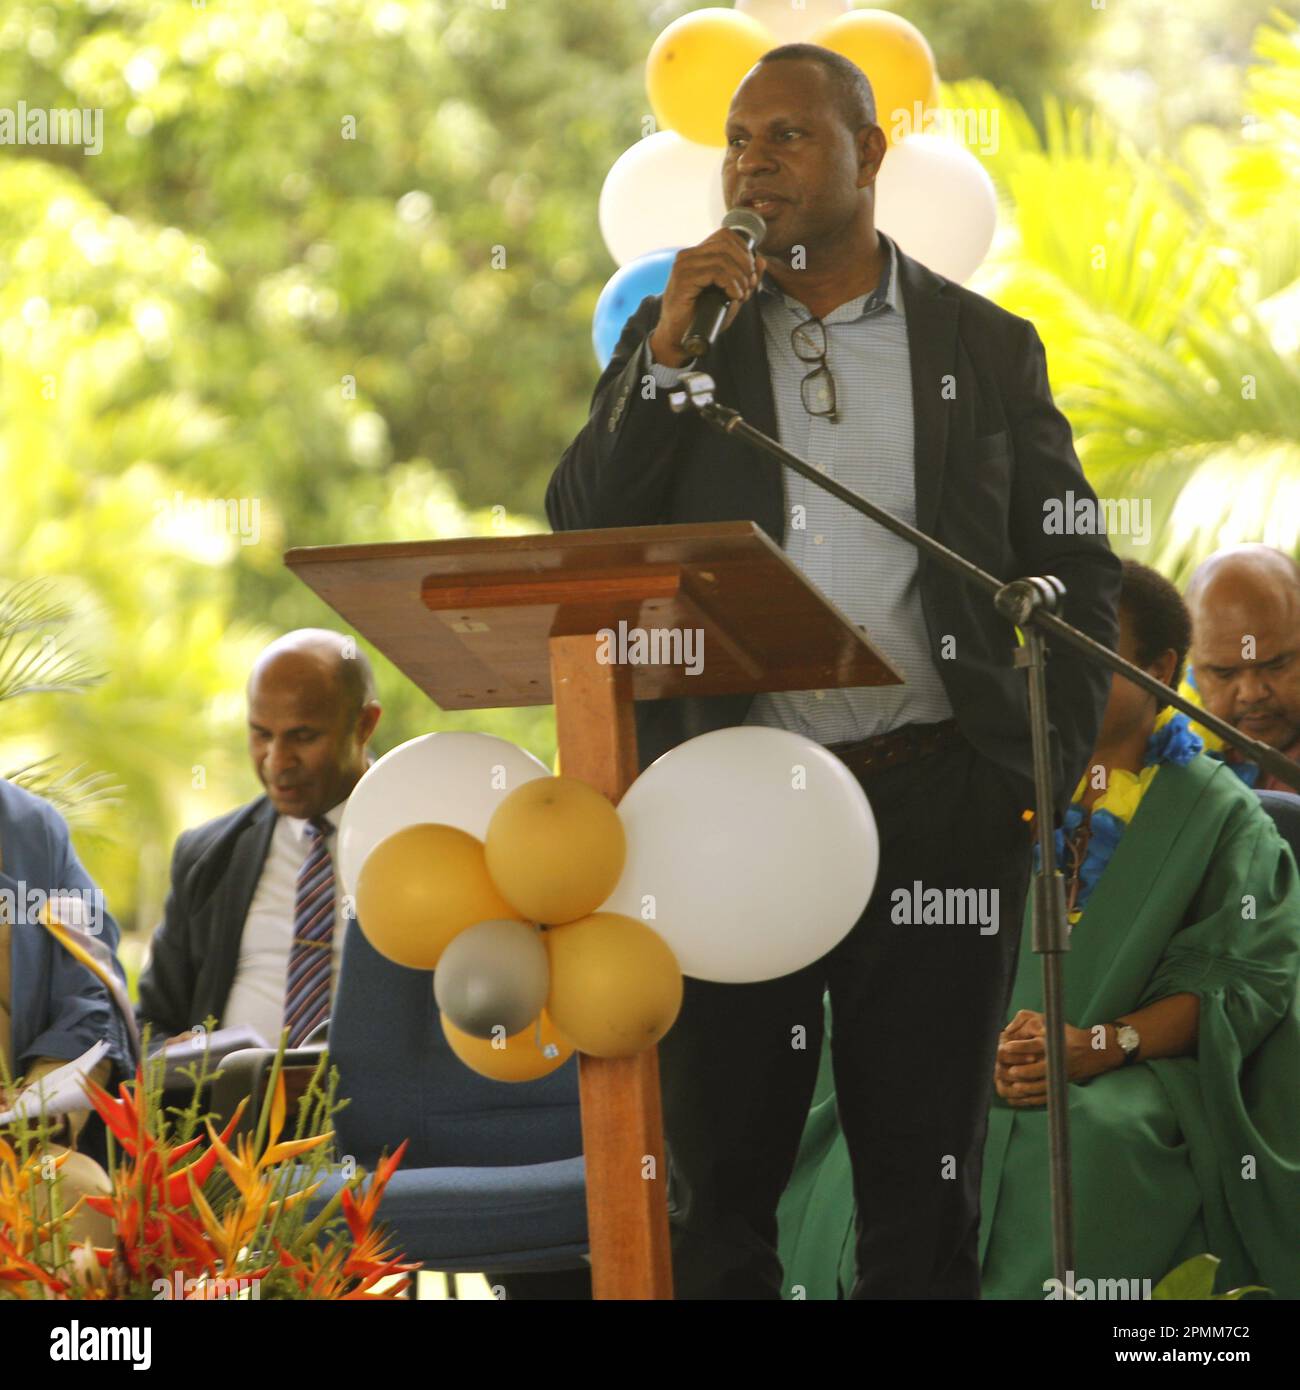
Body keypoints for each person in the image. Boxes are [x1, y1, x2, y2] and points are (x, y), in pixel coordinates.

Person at [547, 43, 1121, 1298]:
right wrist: (669, 345)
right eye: (739, 140)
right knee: (717, 1193)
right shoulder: (681, 340)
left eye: (789, 136)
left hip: (936, 807)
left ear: (873, 156)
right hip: (730, 813)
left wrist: (1024, 771)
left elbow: (1077, 563)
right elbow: (580, 520)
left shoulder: (982, 344)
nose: (753, 159)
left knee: (922, 1200)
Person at [778, 561, 1300, 1299]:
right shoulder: (988, 787)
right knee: (891, 1122)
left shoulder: (1222, 818)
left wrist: (1098, 1046)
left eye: (1087, 652)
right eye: (1041, 656)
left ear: (1160, 669)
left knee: (1087, 1143)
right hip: (968, 1059)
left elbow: (1241, 984)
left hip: (1135, 1073)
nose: (1054, 676)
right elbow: (899, 946)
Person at [137, 629, 381, 1047]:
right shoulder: (208, 857)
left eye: (303, 737)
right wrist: (170, 1055)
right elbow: (149, 1027)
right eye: (261, 735)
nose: (276, 761)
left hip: (372, 1106)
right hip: (232, 1107)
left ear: (363, 725)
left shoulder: (418, 842)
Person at [1, 777, 133, 1245]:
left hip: (21, 1144)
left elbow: (92, 990)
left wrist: (37, 1104)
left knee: (77, 1192)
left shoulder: (31, 830)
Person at [1182, 544, 1300, 790]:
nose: (1251, 693)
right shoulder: (1160, 746)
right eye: (1223, 673)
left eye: (1276, 665)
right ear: (1192, 664)